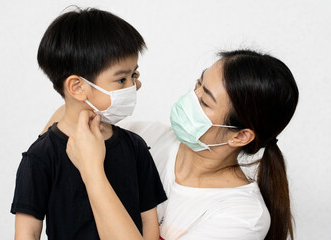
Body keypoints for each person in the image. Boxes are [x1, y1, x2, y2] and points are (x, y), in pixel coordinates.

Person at [47, 49, 298, 240]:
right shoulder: (146, 138)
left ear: (240, 136)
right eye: (198, 86)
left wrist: (93, 173)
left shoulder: (242, 216)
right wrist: (103, 94)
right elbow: (57, 140)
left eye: (205, 102)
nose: (190, 99)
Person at [10, 8, 167, 240]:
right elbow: (27, 233)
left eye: (134, 75)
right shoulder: (41, 156)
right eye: (122, 79)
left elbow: (149, 223)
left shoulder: (135, 148)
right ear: (77, 87)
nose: (134, 86)